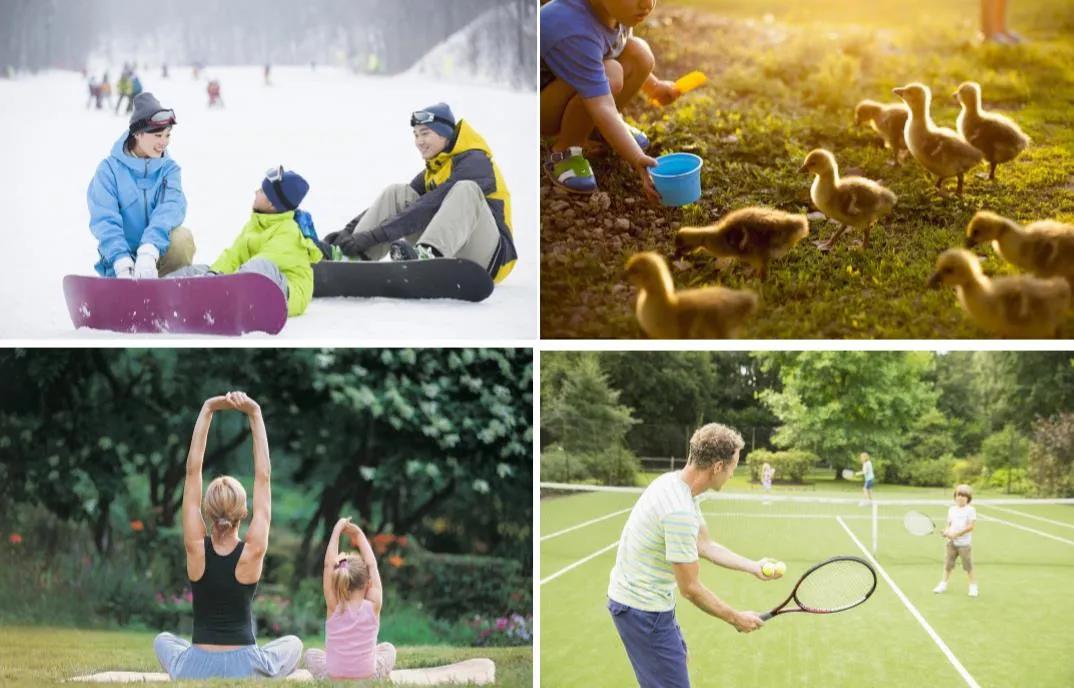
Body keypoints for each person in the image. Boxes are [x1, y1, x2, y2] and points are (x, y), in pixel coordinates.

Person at [608, 423, 778, 688]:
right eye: (734, 466)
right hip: (641, 610)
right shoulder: (679, 513)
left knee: (678, 662)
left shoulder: (676, 486)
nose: (733, 473)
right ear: (718, 467)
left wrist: (753, 566)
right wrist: (736, 618)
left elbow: (705, 545)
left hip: (647, 604)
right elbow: (691, 589)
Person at [153, 392, 303, 679]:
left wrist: (208, 408)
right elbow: (263, 476)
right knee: (292, 644)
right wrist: (255, 413)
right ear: (243, 513)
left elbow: (192, 470)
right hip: (245, 666)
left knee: (163, 640)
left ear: (206, 512)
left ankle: (187, 667)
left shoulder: (195, 546)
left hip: (195, 667)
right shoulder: (253, 551)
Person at [323, 103, 517, 284]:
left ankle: (428, 258)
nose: (419, 142)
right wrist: (348, 232)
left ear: (445, 134)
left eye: (425, 134)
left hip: (490, 257)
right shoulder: (436, 168)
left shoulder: (475, 162)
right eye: (416, 135)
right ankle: (354, 256)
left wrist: (374, 235)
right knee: (397, 193)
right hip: (454, 246)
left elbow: (427, 206)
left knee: (465, 189)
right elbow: (400, 208)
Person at [540, 0, 682, 200]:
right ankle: (566, 149)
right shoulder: (573, 27)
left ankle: (598, 130)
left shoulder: (615, 10)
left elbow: (619, 50)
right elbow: (602, 105)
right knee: (611, 74)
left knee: (639, 53)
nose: (647, 4)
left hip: (566, 86)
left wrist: (655, 87)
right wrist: (636, 158)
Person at [166, 167, 323, 317]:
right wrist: (213, 274)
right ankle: (165, 292)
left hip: (286, 292)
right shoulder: (255, 224)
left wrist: (219, 284)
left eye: (261, 191)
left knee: (261, 265)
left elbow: (264, 264)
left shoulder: (289, 232)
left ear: (272, 204)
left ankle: (219, 298)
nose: (256, 192)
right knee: (199, 271)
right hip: (247, 282)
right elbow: (234, 254)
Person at [87, 92, 194, 278]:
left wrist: (149, 249)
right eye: (158, 135)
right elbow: (104, 218)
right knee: (121, 264)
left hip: (156, 255)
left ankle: (169, 292)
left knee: (182, 239)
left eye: (168, 135)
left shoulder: (169, 170)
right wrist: (120, 258)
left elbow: (171, 208)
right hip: (120, 264)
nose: (164, 142)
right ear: (137, 134)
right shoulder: (108, 171)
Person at [302, 517, 396, 680]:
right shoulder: (374, 605)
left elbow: (328, 565)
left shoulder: (333, 605)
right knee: (388, 649)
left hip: (333, 677)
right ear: (368, 582)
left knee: (310, 654)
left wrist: (337, 530)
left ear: (340, 581)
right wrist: (359, 534)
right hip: (369, 677)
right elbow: (372, 564)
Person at [933, 485, 979, 597]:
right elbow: (949, 524)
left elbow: (971, 527)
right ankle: (943, 584)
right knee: (948, 565)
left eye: (963, 496)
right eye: (959, 495)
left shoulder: (971, 510)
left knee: (968, 566)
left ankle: (973, 587)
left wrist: (956, 534)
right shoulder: (951, 509)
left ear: (968, 498)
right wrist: (946, 532)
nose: (961, 498)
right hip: (951, 543)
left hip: (964, 544)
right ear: (955, 497)